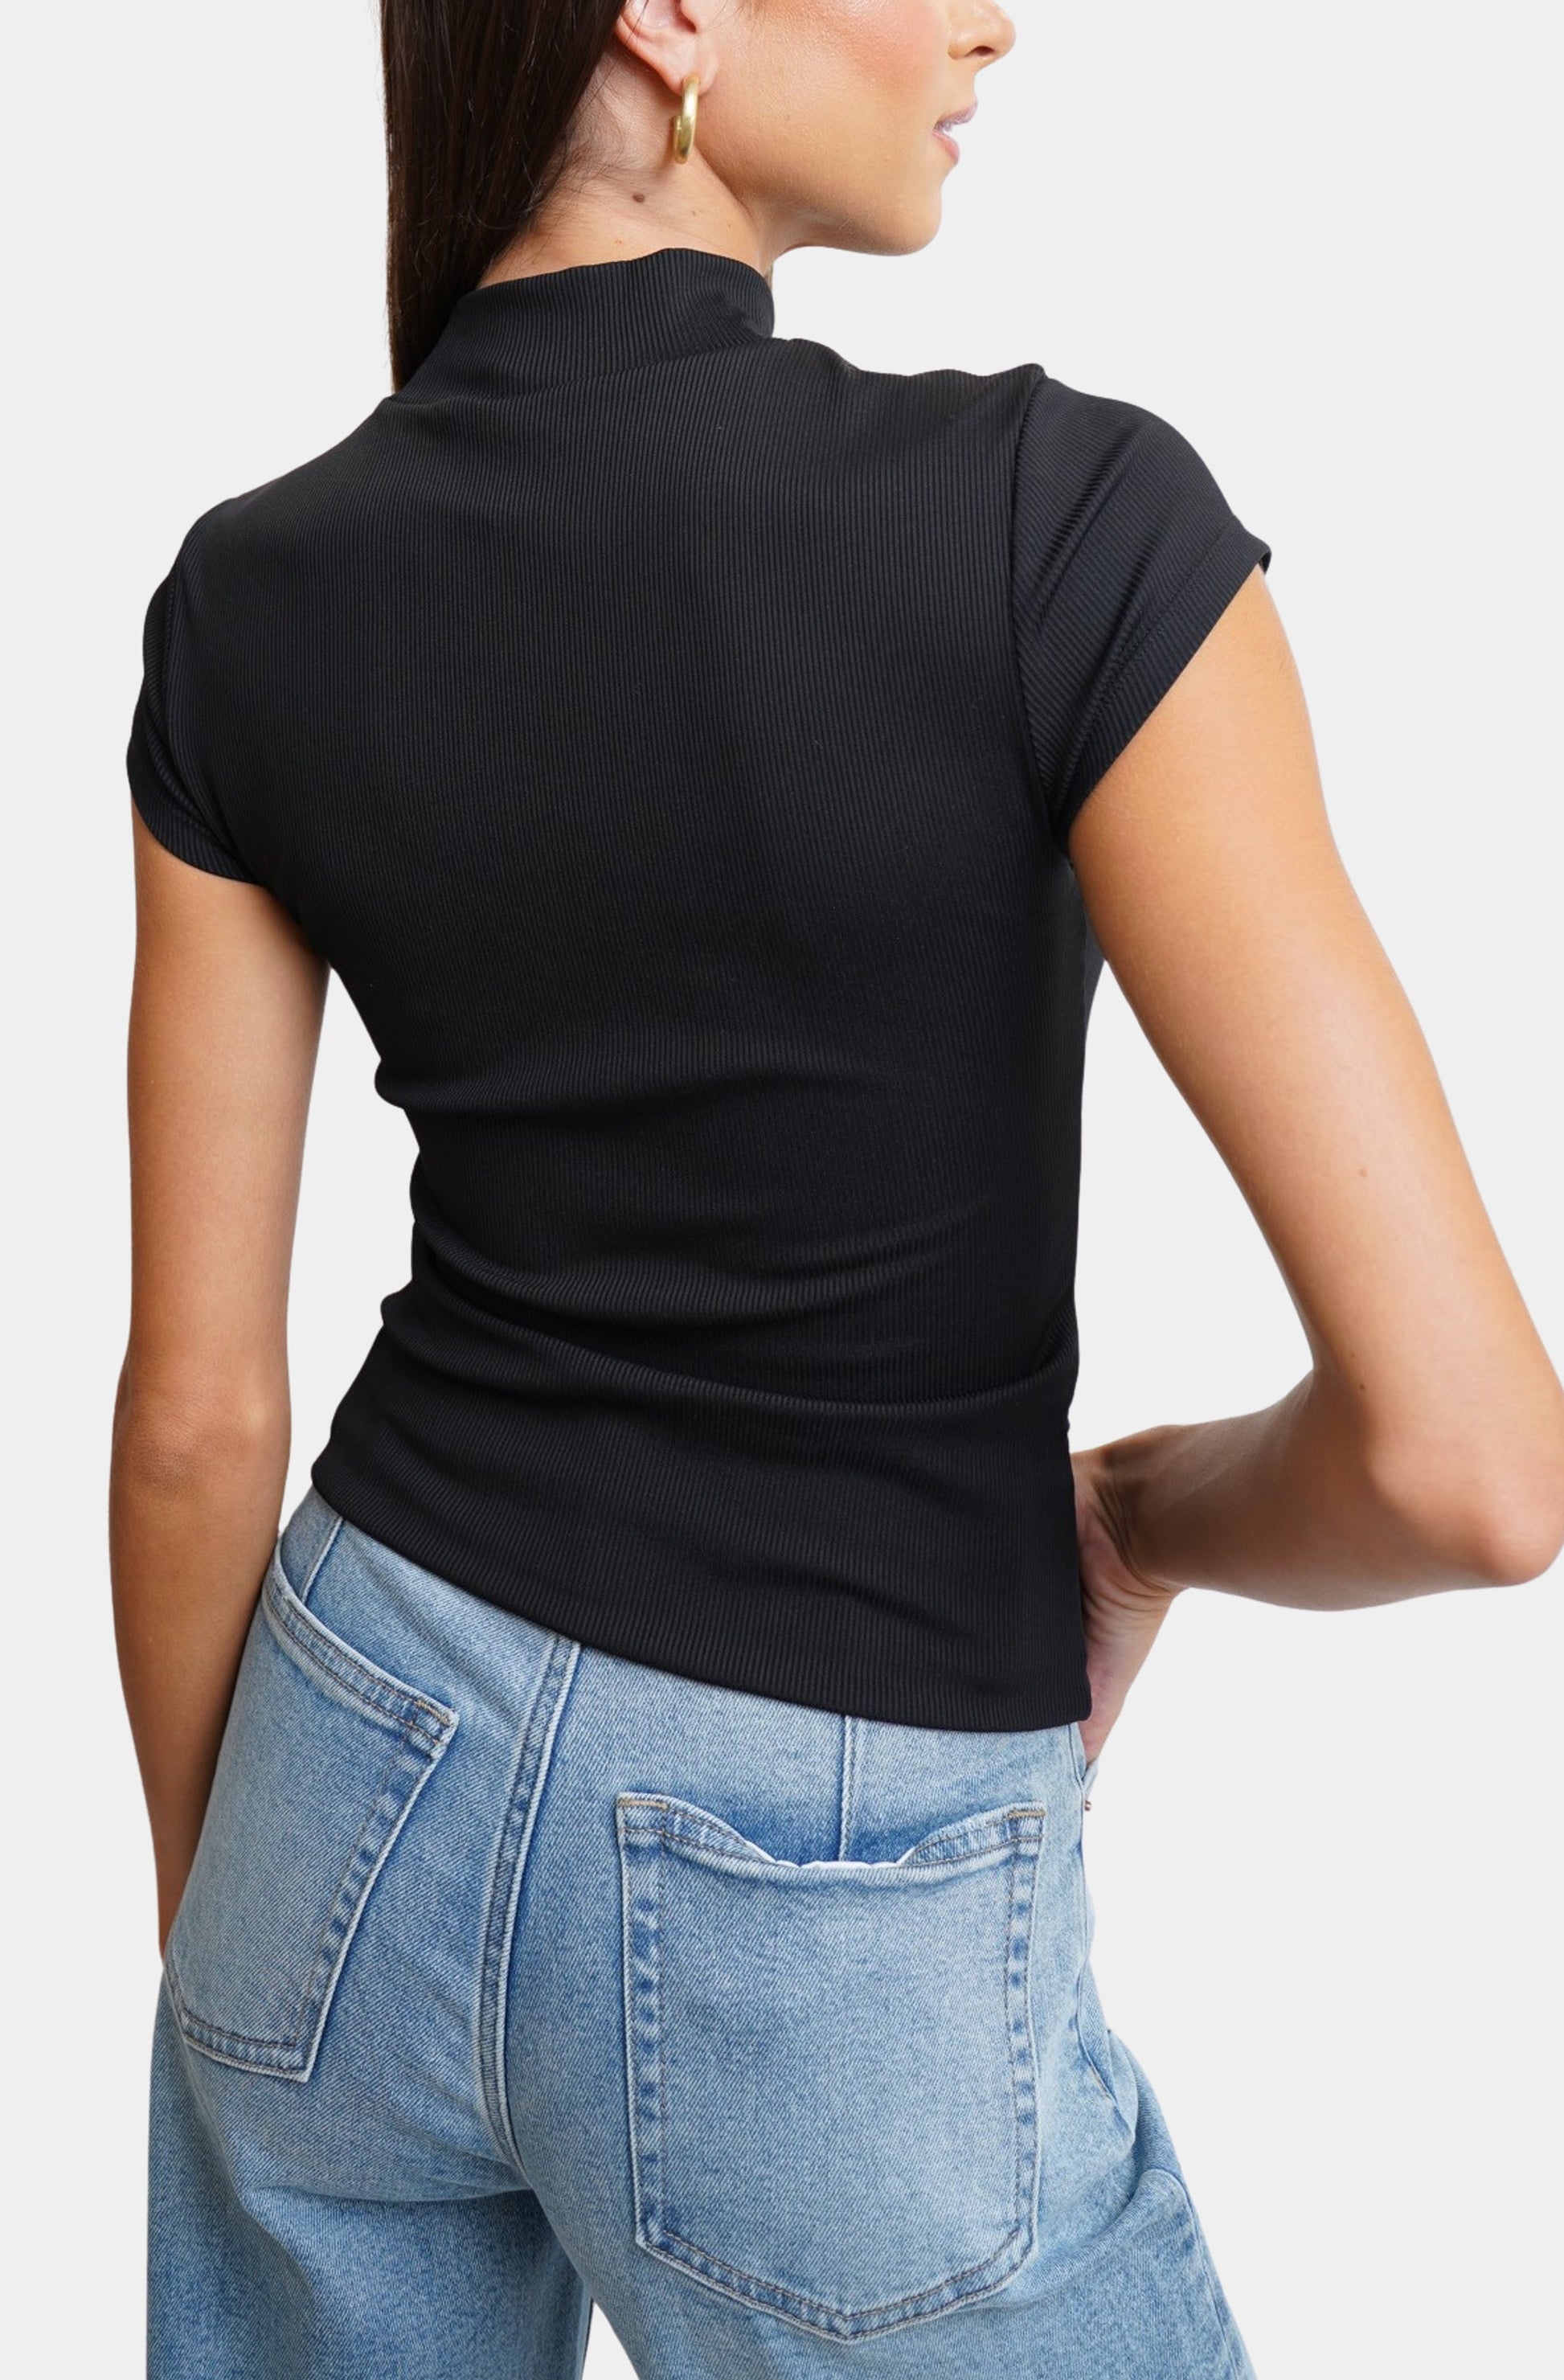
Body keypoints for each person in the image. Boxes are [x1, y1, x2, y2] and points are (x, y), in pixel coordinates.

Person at [112, 2, 1564, 2374]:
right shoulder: (1060, 525)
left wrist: (232, 1964)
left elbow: (195, 1420)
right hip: (831, 1864)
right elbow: (1475, 1469)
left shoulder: (247, 593)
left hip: (339, 1752)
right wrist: (1135, 1524)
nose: (994, 17)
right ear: (668, 12)